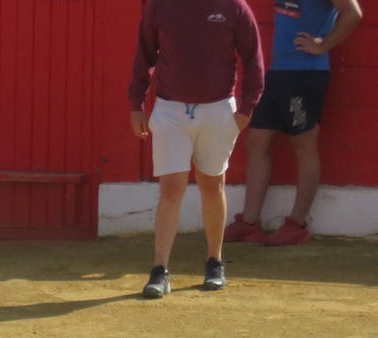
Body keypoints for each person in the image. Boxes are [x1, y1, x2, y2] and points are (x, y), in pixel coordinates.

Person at [129, 0, 265, 298]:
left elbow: (253, 58)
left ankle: (215, 262)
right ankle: (159, 270)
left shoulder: (234, 7)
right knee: (171, 188)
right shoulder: (160, 6)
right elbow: (145, 54)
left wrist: (245, 110)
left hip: (218, 109)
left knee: (212, 184)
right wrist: (136, 103)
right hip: (170, 109)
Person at [224, 0, 365, 247]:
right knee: (257, 141)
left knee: (303, 145)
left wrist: (323, 44)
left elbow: (353, 13)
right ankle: (249, 223)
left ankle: (297, 225)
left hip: (305, 73)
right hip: (278, 72)